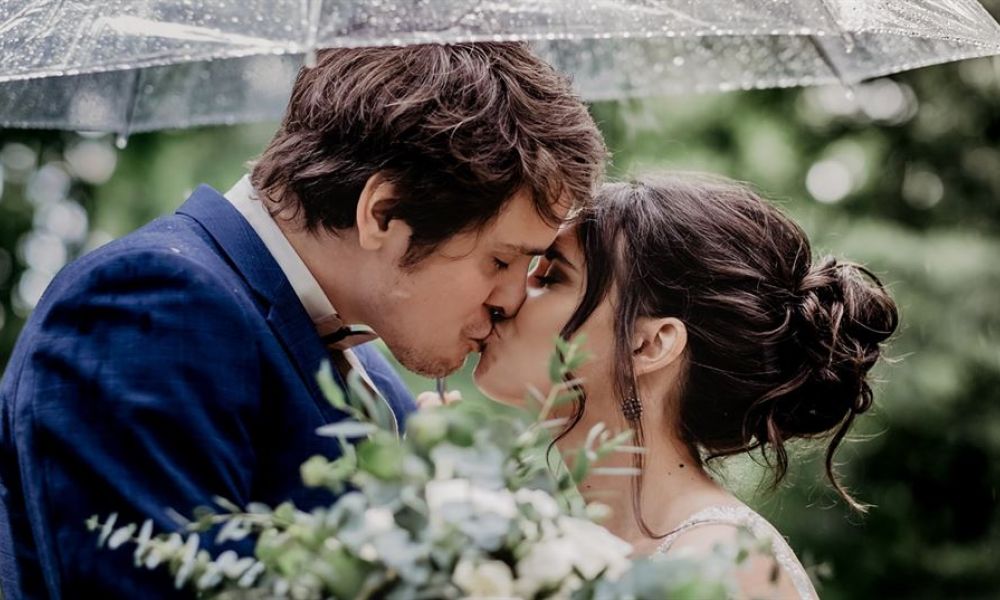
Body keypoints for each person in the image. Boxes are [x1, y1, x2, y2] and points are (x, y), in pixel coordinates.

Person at [0, 43, 606, 598]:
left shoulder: (375, 379)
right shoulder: (150, 306)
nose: (512, 300)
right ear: (383, 213)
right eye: (500, 260)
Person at [474, 173, 898, 599]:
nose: (507, 296)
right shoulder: (567, 548)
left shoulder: (721, 568)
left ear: (648, 345)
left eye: (551, 277)